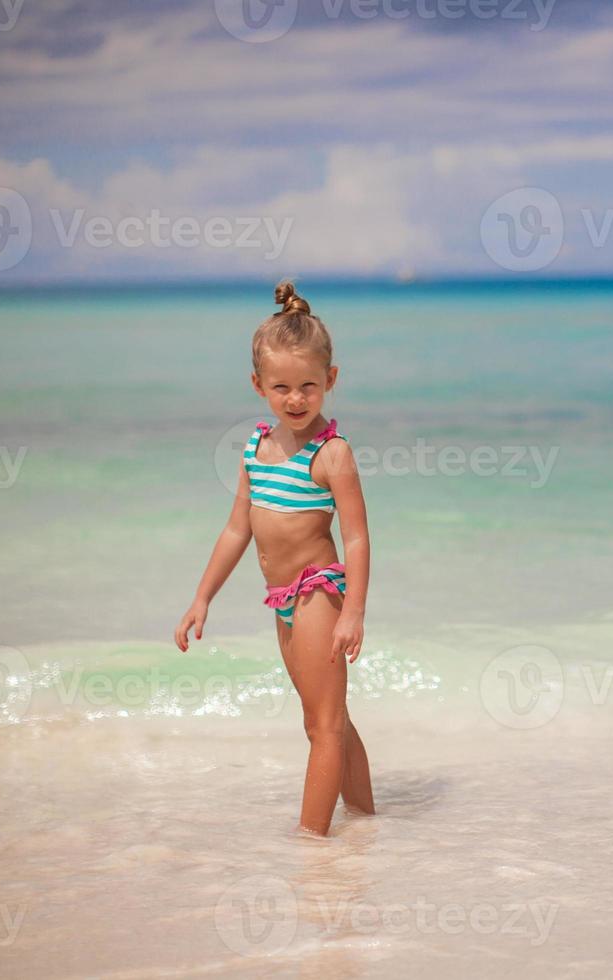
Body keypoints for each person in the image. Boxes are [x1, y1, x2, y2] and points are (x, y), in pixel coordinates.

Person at [174, 280, 374, 834]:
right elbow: (238, 529)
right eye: (281, 386)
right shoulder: (255, 448)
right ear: (257, 384)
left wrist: (353, 610)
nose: (296, 398)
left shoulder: (331, 455)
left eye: (309, 386)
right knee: (328, 721)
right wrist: (201, 597)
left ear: (330, 381)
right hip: (282, 601)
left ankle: (312, 846)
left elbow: (356, 539)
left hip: (318, 593)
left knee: (324, 727)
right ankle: (366, 822)